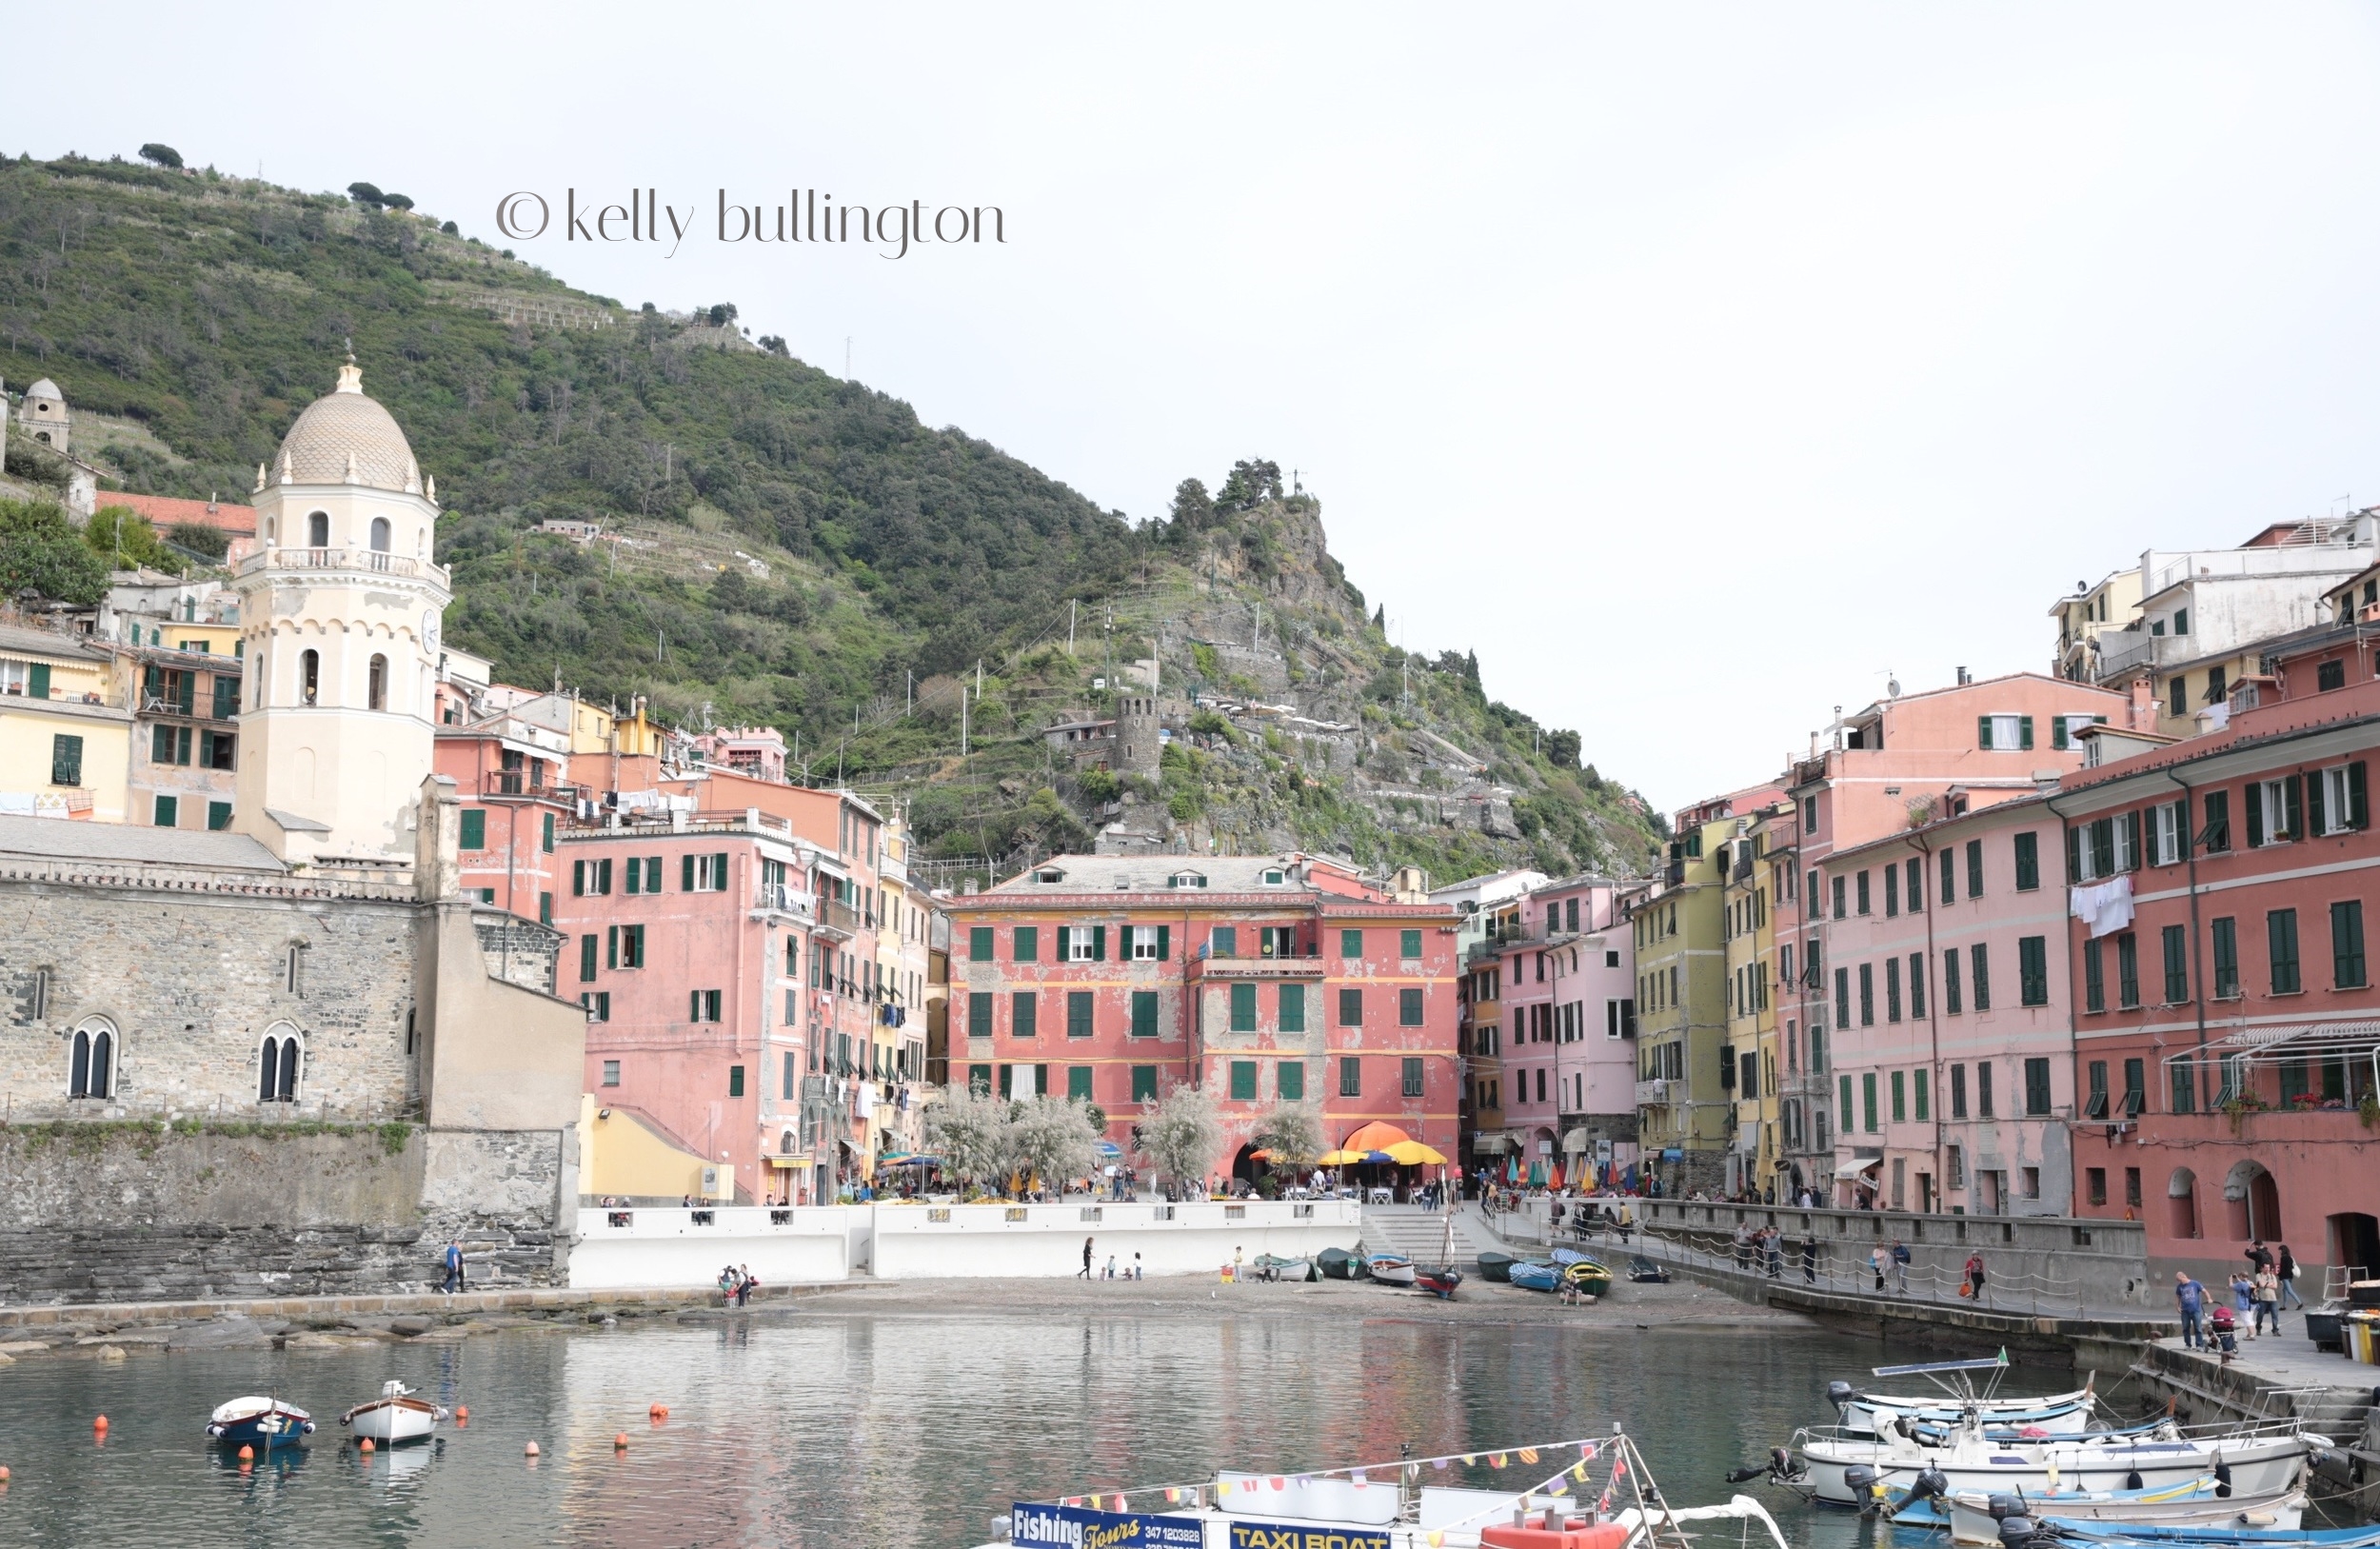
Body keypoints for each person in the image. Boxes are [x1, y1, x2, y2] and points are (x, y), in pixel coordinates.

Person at [2174, 1270, 2207, 1349]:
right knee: (2185, 1328)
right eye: (2179, 1281)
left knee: (2198, 1328)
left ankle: (2199, 1345)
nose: (2180, 1282)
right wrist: (2177, 1307)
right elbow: (2178, 1297)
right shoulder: (2179, 1287)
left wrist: (2209, 1298)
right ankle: (2188, 1344)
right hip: (2185, 1311)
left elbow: (2204, 1291)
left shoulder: (2195, 1283)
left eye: (2180, 1280)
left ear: (2184, 1276)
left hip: (2195, 1310)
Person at [2251, 1264, 2281, 1336]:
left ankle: (2275, 1330)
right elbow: (2261, 1285)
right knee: (2260, 1315)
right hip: (2263, 1299)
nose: (2267, 1269)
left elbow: (2275, 1286)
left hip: (2273, 1299)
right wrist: (2270, 1284)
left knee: (2275, 1315)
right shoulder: (2259, 1275)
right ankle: (2258, 1327)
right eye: (2266, 1268)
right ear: (2262, 1268)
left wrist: (2266, 1284)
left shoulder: (2272, 1276)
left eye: (2268, 1268)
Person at [2229, 1272, 2257, 1338]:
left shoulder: (2241, 1284)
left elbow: (2232, 1286)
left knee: (2246, 1320)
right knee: (2250, 1319)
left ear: (2241, 1276)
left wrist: (2230, 1280)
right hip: (2251, 1304)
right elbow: (2243, 1284)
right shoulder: (2250, 1283)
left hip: (2244, 1304)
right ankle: (2252, 1333)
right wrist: (2237, 1278)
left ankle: (2251, 1335)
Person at [2277, 1244, 2304, 1310]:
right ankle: (2284, 1306)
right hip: (2290, 1276)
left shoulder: (2283, 1258)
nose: (2279, 1252)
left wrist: (2280, 1277)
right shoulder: (2290, 1257)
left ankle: (2299, 1303)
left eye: (2280, 1250)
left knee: (2289, 1290)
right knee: (2285, 1290)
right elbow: (2290, 1267)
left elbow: (2283, 1269)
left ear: (2282, 1250)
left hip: (2285, 1277)